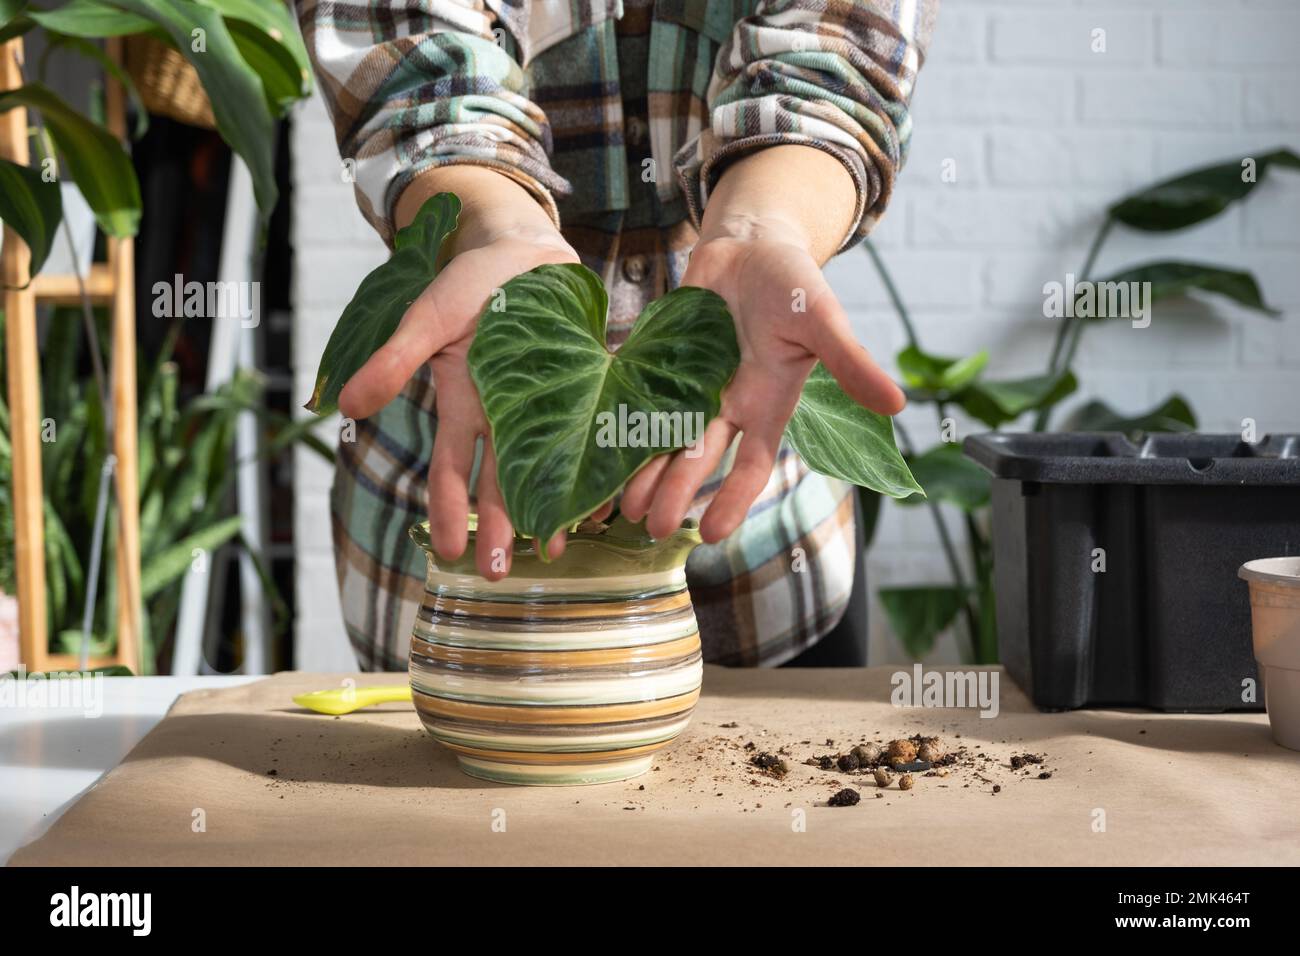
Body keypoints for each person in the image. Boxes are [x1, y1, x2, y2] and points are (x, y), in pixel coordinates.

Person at [296, 0, 937, 670]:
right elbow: (416, 77)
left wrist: (760, 226)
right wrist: (500, 230)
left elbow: (837, 60)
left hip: (767, 540)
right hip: (461, 534)